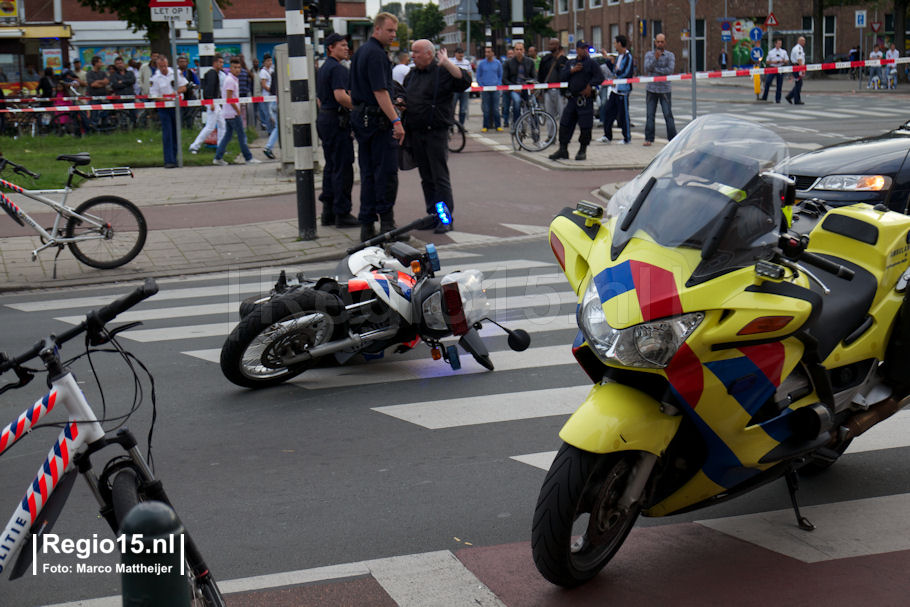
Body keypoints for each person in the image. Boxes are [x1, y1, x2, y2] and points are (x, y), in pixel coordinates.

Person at [402, 39, 471, 233]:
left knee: (439, 177)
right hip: (416, 132)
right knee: (426, 177)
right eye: (412, 52)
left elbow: (464, 81)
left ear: (429, 54)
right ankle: (433, 215)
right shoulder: (412, 74)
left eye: (416, 52)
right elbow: (406, 96)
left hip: (435, 133)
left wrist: (447, 63)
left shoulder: (442, 72)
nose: (412, 55)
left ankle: (445, 217)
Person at [349, 12, 405, 242]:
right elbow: (380, 92)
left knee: (369, 173)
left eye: (395, 31)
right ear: (378, 29)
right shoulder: (376, 55)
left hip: (362, 120)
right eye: (390, 30)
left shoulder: (361, 52)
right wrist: (396, 120)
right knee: (386, 174)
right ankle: (387, 226)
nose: (393, 35)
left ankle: (367, 225)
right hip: (378, 123)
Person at [315, 33, 358, 229]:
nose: (346, 48)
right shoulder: (339, 69)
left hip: (325, 118)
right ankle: (342, 212)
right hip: (337, 120)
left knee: (331, 165)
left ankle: (328, 212)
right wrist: (358, 109)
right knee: (343, 166)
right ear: (331, 47)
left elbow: (319, 98)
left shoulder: (323, 68)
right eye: (342, 45)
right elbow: (340, 96)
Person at [548, 40, 602, 161]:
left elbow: (600, 77)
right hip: (572, 99)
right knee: (565, 123)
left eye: (585, 48)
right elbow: (562, 76)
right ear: (577, 50)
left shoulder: (591, 64)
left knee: (585, 126)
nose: (584, 50)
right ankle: (563, 149)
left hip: (584, 100)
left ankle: (582, 150)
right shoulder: (571, 63)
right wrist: (572, 71)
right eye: (582, 48)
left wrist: (590, 85)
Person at [213, 57, 261, 166]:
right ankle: (248, 158)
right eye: (235, 67)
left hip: (229, 113)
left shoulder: (233, 79)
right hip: (233, 113)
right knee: (241, 135)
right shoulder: (230, 80)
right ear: (230, 68)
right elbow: (230, 98)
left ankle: (218, 157)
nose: (237, 70)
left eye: (239, 67)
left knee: (228, 136)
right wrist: (237, 110)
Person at [149, 55, 187, 169]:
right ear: (157, 66)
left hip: (175, 106)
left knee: (176, 133)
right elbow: (154, 95)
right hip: (163, 107)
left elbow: (184, 87)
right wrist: (166, 98)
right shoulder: (155, 78)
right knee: (167, 134)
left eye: (165, 65)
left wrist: (175, 93)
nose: (164, 68)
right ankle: (169, 160)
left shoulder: (175, 73)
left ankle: (176, 158)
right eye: (161, 66)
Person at [642, 33, 677, 146]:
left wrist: (655, 71)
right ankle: (649, 138)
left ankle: (672, 139)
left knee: (668, 114)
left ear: (665, 42)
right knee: (650, 114)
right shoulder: (649, 55)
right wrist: (655, 60)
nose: (660, 44)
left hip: (665, 89)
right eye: (658, 42)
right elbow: (647, 68)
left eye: (662, 42)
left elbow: (669, 70)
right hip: (651, 89)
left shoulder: (670, 55)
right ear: (655, 42)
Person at [189, 54, 226, 154]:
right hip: (213, 103)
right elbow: (209, 90)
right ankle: (194, 146)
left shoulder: (213, 73)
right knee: (210, 127)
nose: (222, 64)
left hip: (215, 102)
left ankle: (221, 147)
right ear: (215, 63)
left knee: (222, 125)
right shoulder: (212, 74)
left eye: (222, 62)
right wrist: (211, 102)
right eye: (220, 62)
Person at [600, 35, 633, 144]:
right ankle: (607, 135)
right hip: (615, 90)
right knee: (608, 112)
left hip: (623, 90)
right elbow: (614, 70)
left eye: (615, 43)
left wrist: (617, 74)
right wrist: (608, 61)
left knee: (623, 115)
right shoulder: (619, 57)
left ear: (619, 43)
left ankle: (626, 138)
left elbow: (626, 72)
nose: (614, 45)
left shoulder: (628, 57)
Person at [502, 41, 535, 126]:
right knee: (516, 101)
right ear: (514, 50)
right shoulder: (508, 63)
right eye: (517, 49)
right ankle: (516, 124)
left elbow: (534, 77)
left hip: (526, 88)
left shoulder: (530, 62)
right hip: (514, 89)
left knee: (533, 104)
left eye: (521, 49)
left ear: (524, 50)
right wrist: (513, 87)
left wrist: (532, 86)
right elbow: (504, 79)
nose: (519, 51)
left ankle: (535, 128)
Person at [538, 38, 567, 127]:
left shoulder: (563, 59)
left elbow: (565, 73)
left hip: (560, 91)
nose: (550, 46)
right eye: (549, 44)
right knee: (549, 114)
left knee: (563, 114)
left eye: (552, 44)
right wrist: (540, 89)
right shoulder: (545, 59)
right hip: (548, 90)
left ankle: (564, 135)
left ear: (557, 46)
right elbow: (541, 74)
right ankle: (551, 136)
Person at [476, 45, 502, 132]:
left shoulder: (497, 63)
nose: (487, 54)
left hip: (495, 88)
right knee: (486, 108)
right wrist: (481, 85)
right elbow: (478, 76)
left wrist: (498, 84)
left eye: (488, 52)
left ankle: (498, 125)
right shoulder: (481, 64)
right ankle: (485, 126)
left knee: (496, 108)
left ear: (493, 53)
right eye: (486, 52)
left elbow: (500, 75)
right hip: (485, 89)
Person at [110, 56, 137, 127]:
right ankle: (123, 128)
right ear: (115, 65)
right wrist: (127, 83)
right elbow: (115, 85)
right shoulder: (113, 75)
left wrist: (122, 82)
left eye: (121, 63)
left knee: (133, 115)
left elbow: (132, 81)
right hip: (120, 99)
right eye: (117, 63)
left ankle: (135, 127)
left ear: (124, 63)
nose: (119, 65)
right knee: (122, 117)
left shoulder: (130, 73)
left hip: (130, 97)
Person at [761, 38, 788, 103]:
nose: (779, 45)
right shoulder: (771, 52)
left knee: (779, 84)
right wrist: (773, 62)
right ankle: (764, 97)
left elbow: (787, 60)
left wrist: (782, 61)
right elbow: (767, 61)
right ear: (775, 44)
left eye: (780, 44)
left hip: (780, 68)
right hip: (773, 67)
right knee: (768, 82)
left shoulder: (783, 52)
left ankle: (778, 99)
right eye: (778, 43)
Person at [451, 47, 473, 126]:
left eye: (462, 53)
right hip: (454, 89)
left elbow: (469, 73)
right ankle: (451, 125)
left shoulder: (466, 62)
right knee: (452, 107)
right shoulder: (452, 62)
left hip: (464, 89)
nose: (461, 54)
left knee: (463, 108)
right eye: (459, 53)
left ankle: (461, 125)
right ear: (455, 54)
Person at [177, 55, 200, 124]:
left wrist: (192, 86)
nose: (183, 63)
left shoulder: (190, 73)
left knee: (190, 114)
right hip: (179, 97)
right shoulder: (174, 73)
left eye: (184, 62)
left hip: (189, 96)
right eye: (181, 62)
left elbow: (197, 84)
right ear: (177, 63)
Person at [785, 36, 806, 105]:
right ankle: (796, 100)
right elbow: (799, 59)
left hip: (797, 67)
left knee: (798, 83)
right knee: (799, 84)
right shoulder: (798, 48)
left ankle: (789, 96)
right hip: (797, 67)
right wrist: (802, 69)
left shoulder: (798, 48)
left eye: (804, 41)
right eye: (803, 41)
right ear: (799, 41)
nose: (804, 42)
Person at [258, 54, 274, 130]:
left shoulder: (272, 70)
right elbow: (264, 85)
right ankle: (269, 130)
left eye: (270, 60)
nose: (270, 62)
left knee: (273, 113)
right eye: (268, 61)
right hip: (266, 96)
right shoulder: (263, 72)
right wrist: (271, 90)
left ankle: (273, 128)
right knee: (268, 113)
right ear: (264, 62)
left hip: (272, 95)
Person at [501, 47, 514, 127]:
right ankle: (506, 121)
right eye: (509, 54)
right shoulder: (504, 64)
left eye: (512, 54)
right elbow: (503, 76)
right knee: (506, 106)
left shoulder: (517, 63)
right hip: (506, 88)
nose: (510, 55)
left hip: (515, 88)